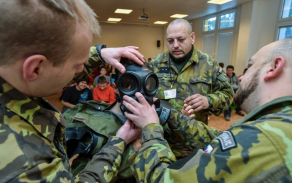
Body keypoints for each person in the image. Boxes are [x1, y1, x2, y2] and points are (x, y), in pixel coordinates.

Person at [0, 0, 144, 182]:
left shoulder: (12, 72)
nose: (81, 70)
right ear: (35, 68)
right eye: (78, 65)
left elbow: (55, 66)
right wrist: (119, 141)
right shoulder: (27, 164)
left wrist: (99, 54)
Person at [122, 38, 292, 182]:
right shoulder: (275, 125)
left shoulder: (265, 139)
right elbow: (219, 139)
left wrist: (150, 128)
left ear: (274, 67)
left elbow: (163, 178)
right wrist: (165, 113)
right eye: (170, 40)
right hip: (170, 140)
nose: (241, 76)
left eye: (250, 66)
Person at [149, 19, 233, 125]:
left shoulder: (209, 64)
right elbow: (144, 97)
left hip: (195, 135)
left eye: (181, 39)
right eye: (170, 41)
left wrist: (208, 101)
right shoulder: (155, 64)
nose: (175, 45)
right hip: (163, 135)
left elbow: (228, 94)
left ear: (192, 38)